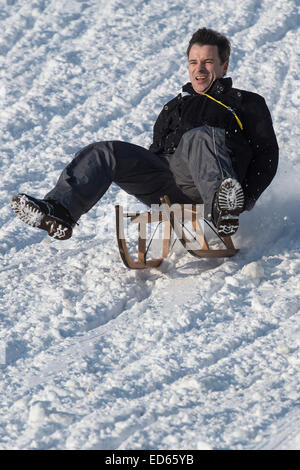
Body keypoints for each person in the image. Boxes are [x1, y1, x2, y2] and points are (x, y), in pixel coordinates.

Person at [11, 27, 279, 241]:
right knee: (105, 151)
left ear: (224, 67)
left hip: (216, 177)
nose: (199, 69)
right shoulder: (174, 106)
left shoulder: (245, 102)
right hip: (169, 177)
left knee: (201, 137)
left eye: (208, 62)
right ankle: (60, 210)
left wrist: (244, 200)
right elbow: (156, 152)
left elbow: (267, 155)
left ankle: (222, 211)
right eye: (194, 62)